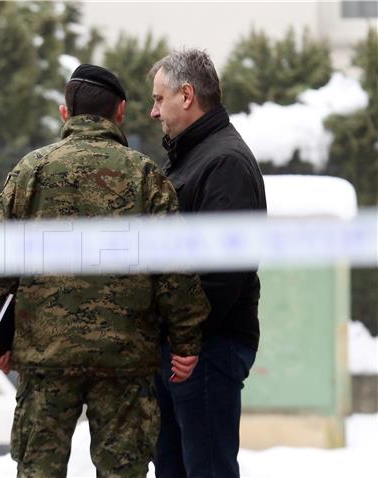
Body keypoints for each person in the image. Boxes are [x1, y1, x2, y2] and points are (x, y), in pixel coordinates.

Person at [0, 64, 210, 478]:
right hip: (125, 358)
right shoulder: (145, 176)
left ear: (66, 114)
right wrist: (187, 340)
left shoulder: (30, 172)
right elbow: (174, 270)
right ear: (120, 111)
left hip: (46, 357)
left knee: (39, 470)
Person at [149, 49, 267, 478]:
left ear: (186, 95)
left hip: (204, 351)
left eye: (159, 99)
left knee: (208, 468)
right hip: (185, 350)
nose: (153, 110)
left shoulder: (224, 162)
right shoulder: (193, 156)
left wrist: (188, 340)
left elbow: (223, 269)